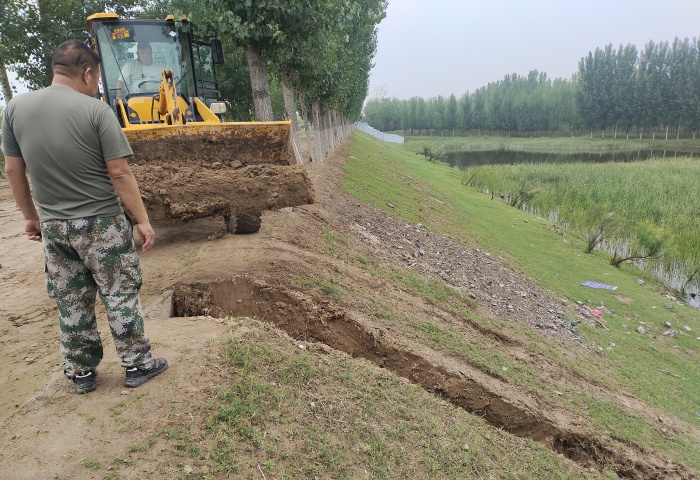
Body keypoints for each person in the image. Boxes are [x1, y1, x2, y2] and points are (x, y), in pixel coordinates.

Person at [2, 40, 168, 394]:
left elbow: (14, 172)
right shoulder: (96, 111)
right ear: (87, 72)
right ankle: (138, 364)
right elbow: (119, 173)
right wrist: (142, 220)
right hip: (101, 223)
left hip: (54, 227)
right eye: (96, 79)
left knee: (72, 299)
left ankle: (81, 373)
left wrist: (31, 217)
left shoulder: (15, 109)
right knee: (119, 292)